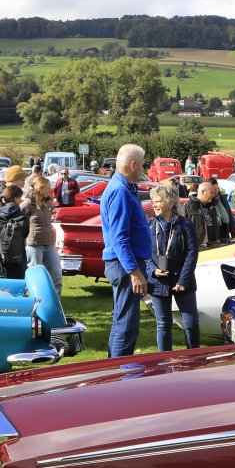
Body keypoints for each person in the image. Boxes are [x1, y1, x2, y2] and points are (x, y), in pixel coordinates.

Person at [101, 144, 153, 357]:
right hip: (125, 265)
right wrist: (134, 271)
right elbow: (119, 237)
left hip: (122, 264)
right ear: (133, 164)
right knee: (127, 324)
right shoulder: (120, 191)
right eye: (142, 165)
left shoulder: (120, 188)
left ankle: (112, 368)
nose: (143, 169)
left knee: (122, 320)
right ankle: (120, 371)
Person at [146, 183, 199, 351]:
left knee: (191, 322)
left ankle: (194, 359)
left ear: (170, 203)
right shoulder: (150, 225)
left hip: (183, 280)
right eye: (153, 201)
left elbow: (192, 254)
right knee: (163, 324)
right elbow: (144, 254)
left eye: (158, 201)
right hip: (159, 282)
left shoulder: (185, 225)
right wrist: (152, 270)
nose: (154, 205)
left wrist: (183, 280)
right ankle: (164, 362)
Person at [22, 176, 61, 289]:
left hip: (49, 244)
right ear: (40, 188)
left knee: (56, 275)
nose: (50, 190)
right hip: (34, 245)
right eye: (48, 188)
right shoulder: (28, 203)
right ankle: (34, 299)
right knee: (36, 278)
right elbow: (17, 217)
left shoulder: (48, 202)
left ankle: (56, 300)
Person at [0, 183, 29, 278]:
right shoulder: (20, 215)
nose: (21, 200)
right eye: (20, 198)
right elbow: (25, 234)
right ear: (15, 198)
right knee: (18, 283)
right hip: (18, 257)